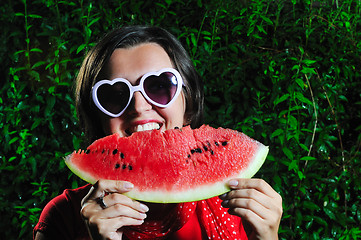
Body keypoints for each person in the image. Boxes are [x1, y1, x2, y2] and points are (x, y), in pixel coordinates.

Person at [34, 25, 282, 240]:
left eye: (159, 85)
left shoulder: (241, 211)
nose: (139, 107)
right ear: (97, 117)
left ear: (188, 102)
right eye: (115, 95)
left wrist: (268, 237)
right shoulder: (63, 218)